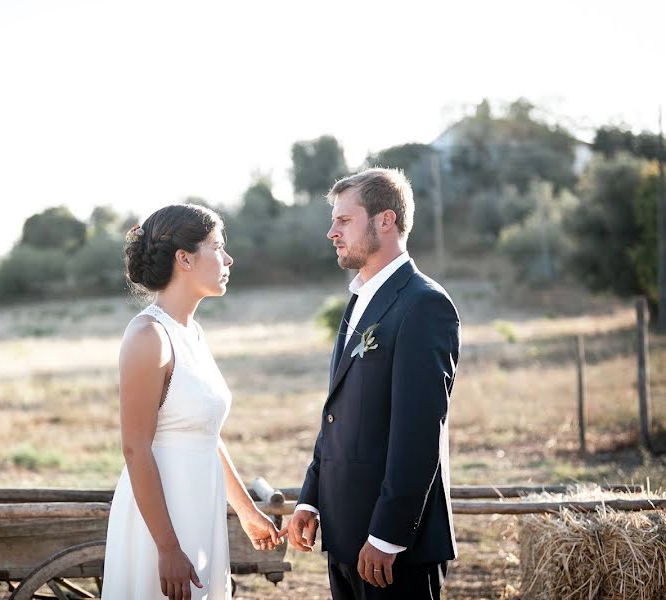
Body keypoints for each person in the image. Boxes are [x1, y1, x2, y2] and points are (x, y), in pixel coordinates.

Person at [279, 169, 460, 599]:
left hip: (394, 550)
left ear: (386, 220)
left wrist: (387, 535)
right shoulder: (359, 298)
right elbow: (337, 413)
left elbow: (418, 433)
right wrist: (311, 498)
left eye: (344, 221)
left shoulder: (424, 305)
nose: (331, 233)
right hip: (345, 536)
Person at [102, 204, 281, 600]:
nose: (228, 258)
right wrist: (166, 548)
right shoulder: (149, 337)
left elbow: (207, 436)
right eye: (218, 247)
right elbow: (135, 448)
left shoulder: (193, 333)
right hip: (161, 519)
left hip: (202, 506)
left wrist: (248, 512)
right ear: (184, 258)